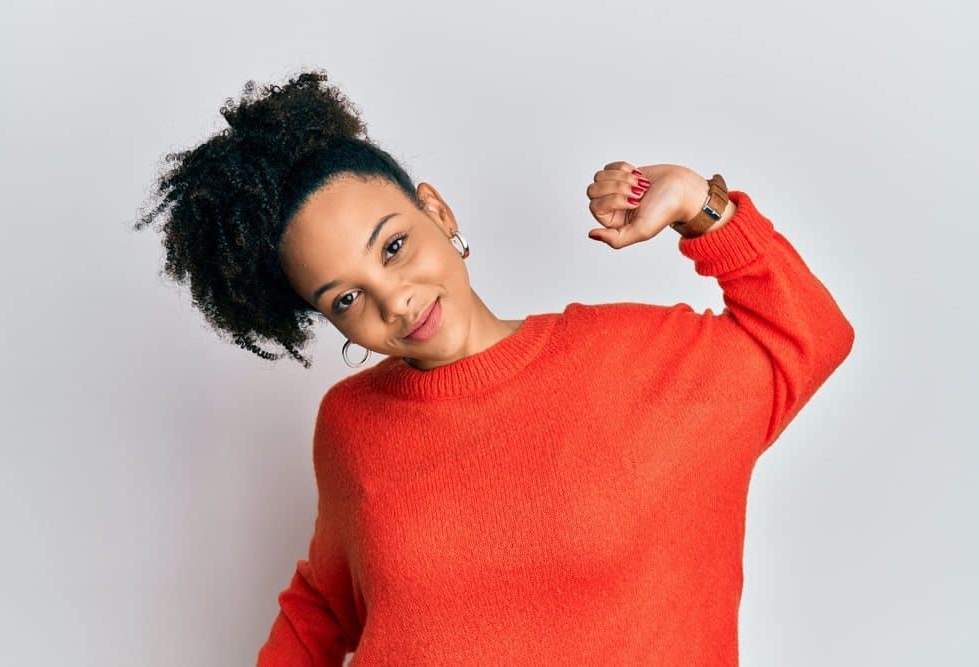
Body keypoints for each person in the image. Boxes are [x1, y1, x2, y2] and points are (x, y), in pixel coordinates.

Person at [135, 68, 855, 666]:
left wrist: (701, 206)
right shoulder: (350, 424)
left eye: (392, 247)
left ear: (437, 212)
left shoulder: (635, 362)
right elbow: (325, 605)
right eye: (347, 297)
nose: (395, 298)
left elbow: (809, 333)